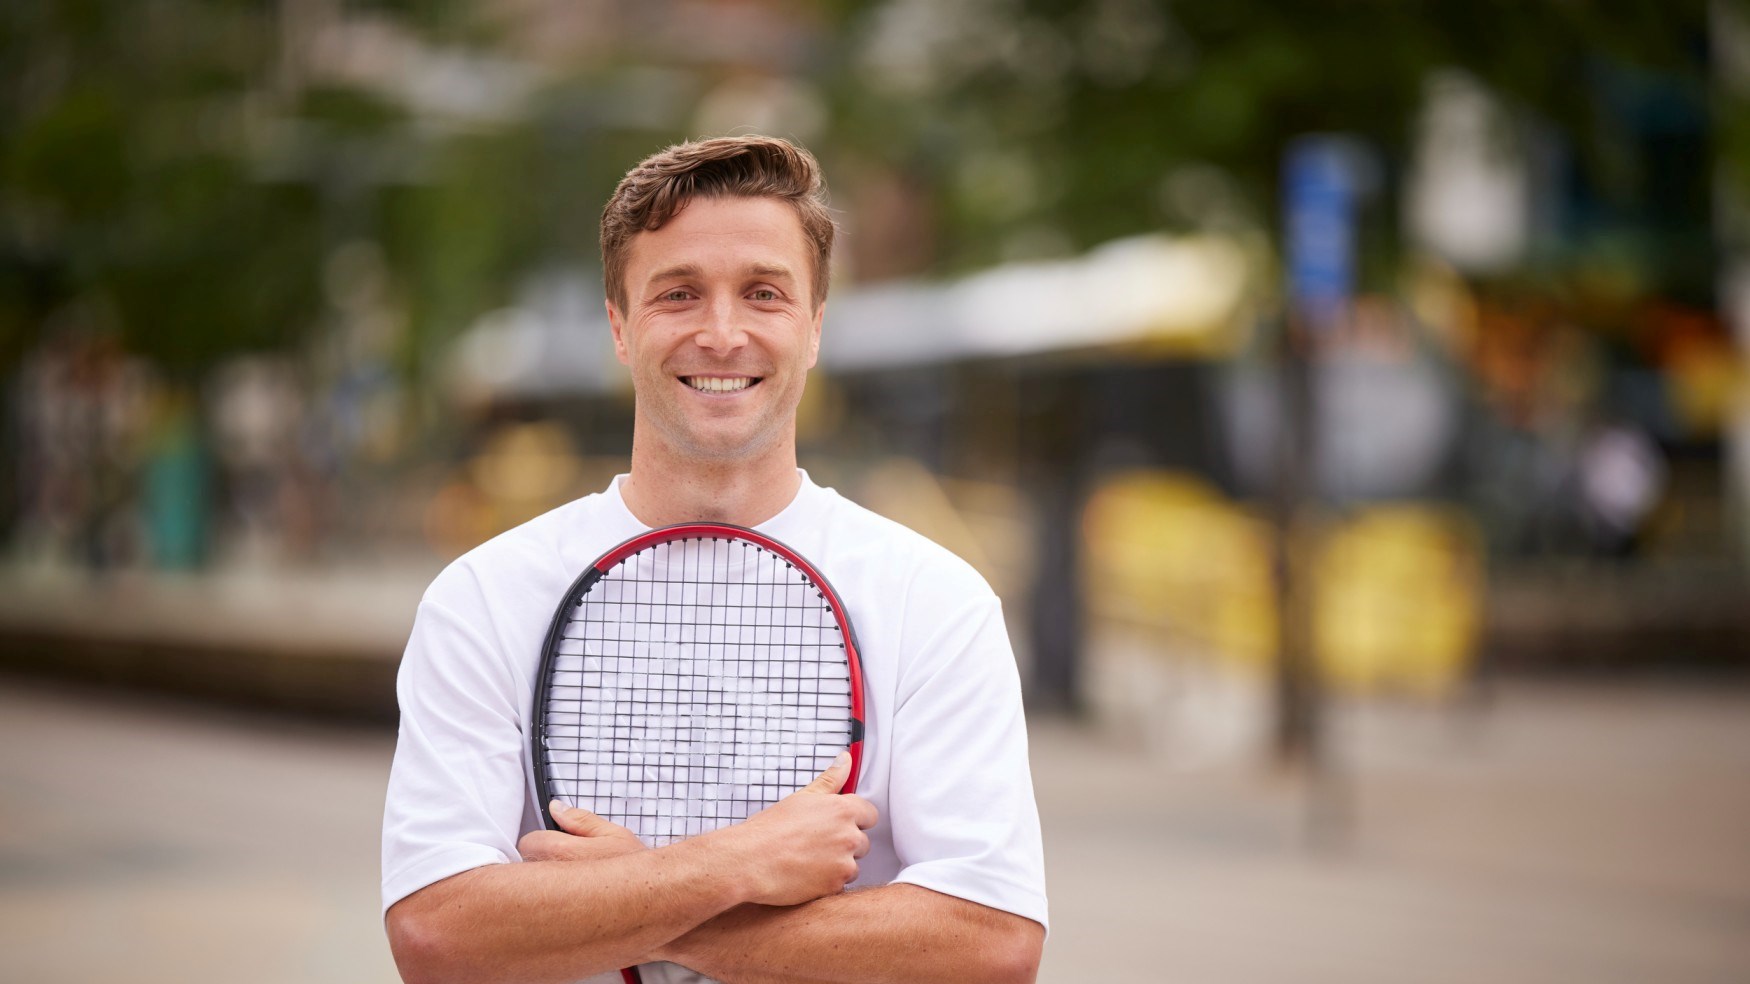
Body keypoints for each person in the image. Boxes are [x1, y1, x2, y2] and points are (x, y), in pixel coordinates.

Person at [382, 136, 1047, 984]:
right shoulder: (482, 598)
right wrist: (739, 863)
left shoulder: (936, 601)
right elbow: (435, 935)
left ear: (815, 327)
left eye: (764, 293)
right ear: (620, 327)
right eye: (679, 294)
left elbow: (992, 945)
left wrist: (639, 908)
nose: (722, 334)